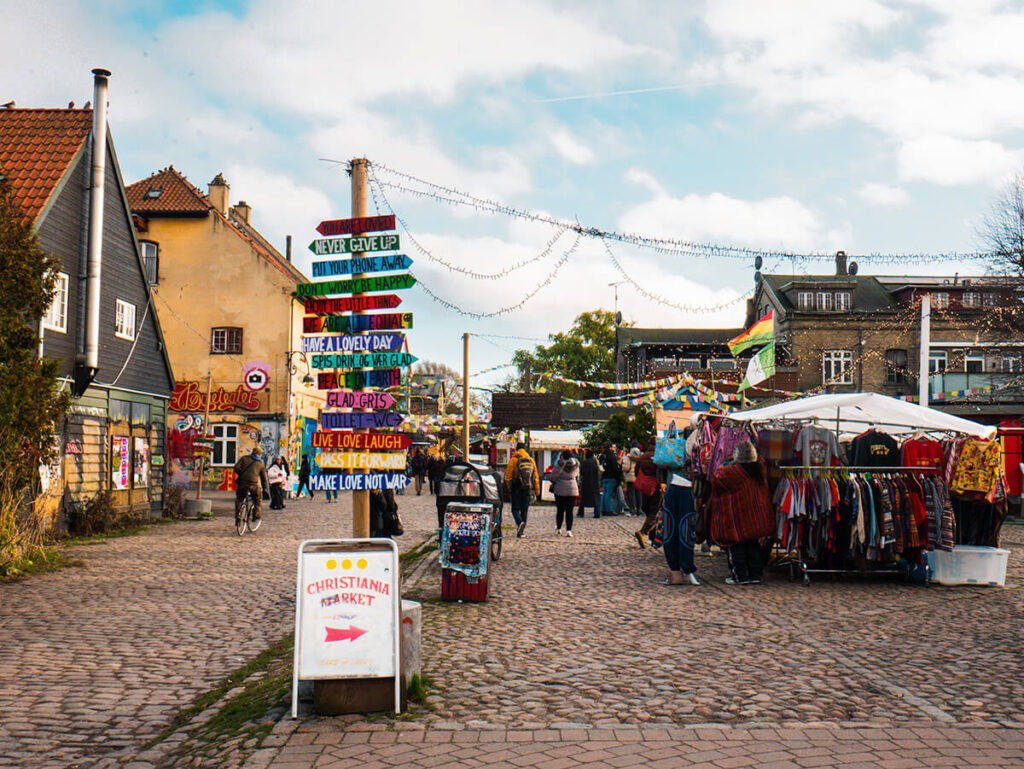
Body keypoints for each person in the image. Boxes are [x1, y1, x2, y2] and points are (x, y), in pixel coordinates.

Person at [710, 440, 774, 584]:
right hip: (754, 516)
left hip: (737, 517)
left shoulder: (731, 472)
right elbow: (762, 460)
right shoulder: (760, 469)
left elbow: (716, 478)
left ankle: (740, 576)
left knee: (736, 546)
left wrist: (728, 462)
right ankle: (755, 575)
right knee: (753, 545)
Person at [504, 442, 539, 537]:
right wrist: (537, 490)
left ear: (516, 449)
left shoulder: (513, 460)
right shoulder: (531, 460)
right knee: (524, 510)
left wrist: (508, 488)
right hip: (527, 488)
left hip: (516, 487)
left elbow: (508, 476)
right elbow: (535, 476)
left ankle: (519, 523)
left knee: (515, 509)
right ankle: (522, 531)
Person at [634, 439, 662, 548]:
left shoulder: (643, 456)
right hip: (656, 487)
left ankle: (653, 536)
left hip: (645, 487)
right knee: (655, 512)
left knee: (648, 510)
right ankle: (642, 532)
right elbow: (661, 473)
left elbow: (636, 471)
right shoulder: (659, 457)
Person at [233, 446, 269, 523]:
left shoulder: (244, 458)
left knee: (239, 499)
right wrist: (265, 488)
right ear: (259, 454)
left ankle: (238, 516)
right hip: (253, 485)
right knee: (257, 499)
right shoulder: (260, 464)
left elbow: (236, 468)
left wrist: (241, 473)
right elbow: (263, 478)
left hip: (242, 483)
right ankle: (256, 515)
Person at [549, 449, 579, 537]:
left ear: (563, 456)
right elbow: (578, 477)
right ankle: (569, 530)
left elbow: (553, 476)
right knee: (570, 511)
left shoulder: (559, 464)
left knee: (560, 510)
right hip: (572, 489)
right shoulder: (576, 465)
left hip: (560, 489)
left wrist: (553, 480)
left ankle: (558, 528)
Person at [577, 448, 602, 518]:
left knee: (583, 499)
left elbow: (581, 472)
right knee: (595, 499)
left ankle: (581, 512)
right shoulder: (595, 462)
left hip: (586, 482)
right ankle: (597, 513)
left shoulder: (584, 462)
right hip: (594, 482)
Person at [600, 445, 624, 516]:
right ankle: (609, 509)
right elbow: (615, 469)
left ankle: (603, 509)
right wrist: (619, 479)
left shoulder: (604, 457)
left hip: (605, 477)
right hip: (611, 477)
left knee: (604, 493)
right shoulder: (612, 457)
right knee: (609, 494)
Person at [622, 446, 641, 515]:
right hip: (637, 477)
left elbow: (625, 468)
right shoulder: (640, 458)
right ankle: (639, 509)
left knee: (631, 494)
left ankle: (632, 509)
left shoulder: (628, 458)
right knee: (638, 494)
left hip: (630, 478)